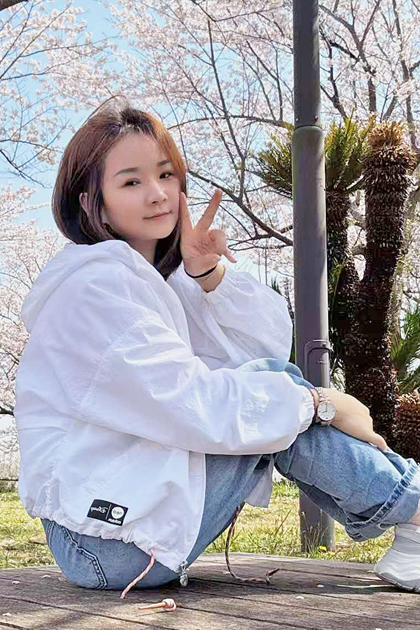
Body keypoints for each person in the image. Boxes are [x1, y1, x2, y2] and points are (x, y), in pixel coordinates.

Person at [14, 98, 420, 597]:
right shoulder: (95, 290)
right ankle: (414, 511)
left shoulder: (151, 281)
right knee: (274, 400)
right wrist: (320, 403)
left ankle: (411, 513)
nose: (158, 194)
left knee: (270, 392)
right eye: (131, 182)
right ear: (91, 202)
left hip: (121, 521)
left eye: (166, 174)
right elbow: (191, 402)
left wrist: (209, 273)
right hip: (104, 543)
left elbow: (262, 349)